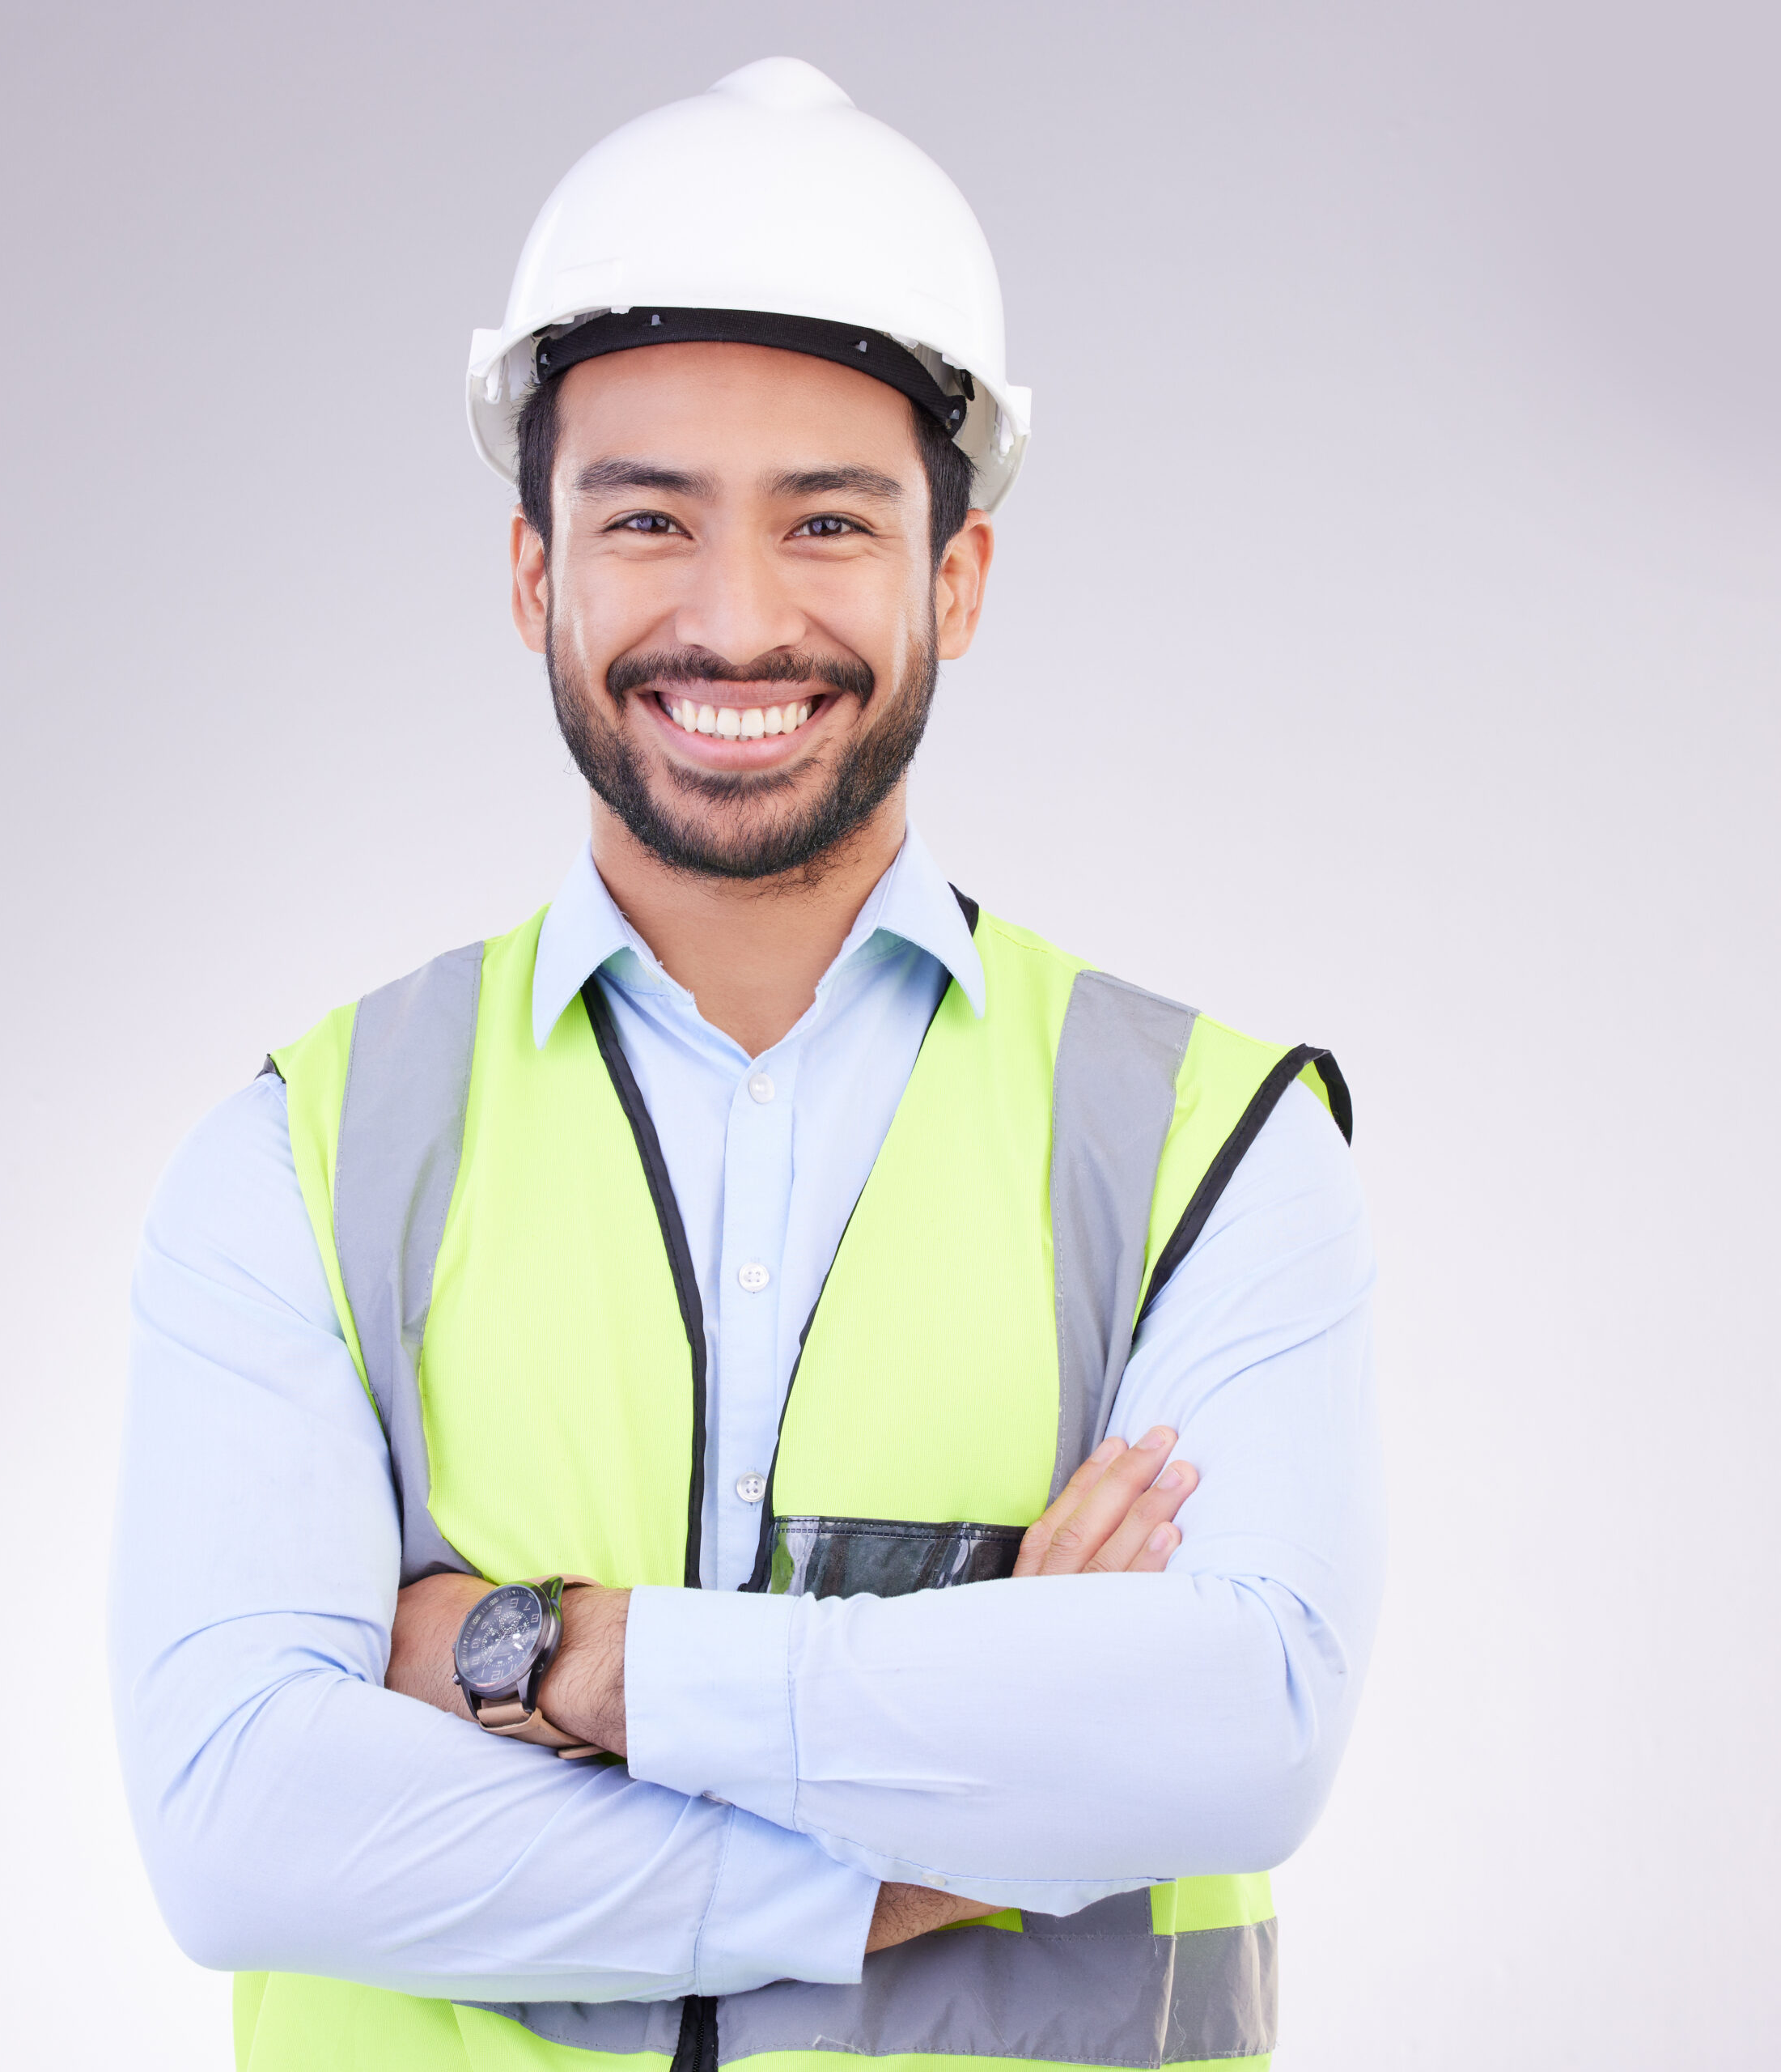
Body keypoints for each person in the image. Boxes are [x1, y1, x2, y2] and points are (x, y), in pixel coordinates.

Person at [110, 56, 1382, 2072]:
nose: (733, 617)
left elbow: (1240, 1739)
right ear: (532, 570)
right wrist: (922, 1832)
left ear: (951, 579)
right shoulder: (301, 1153)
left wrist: (563, 1657)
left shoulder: (1212, 1148)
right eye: (644, 519)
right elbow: (239, 1826)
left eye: (826, 520)